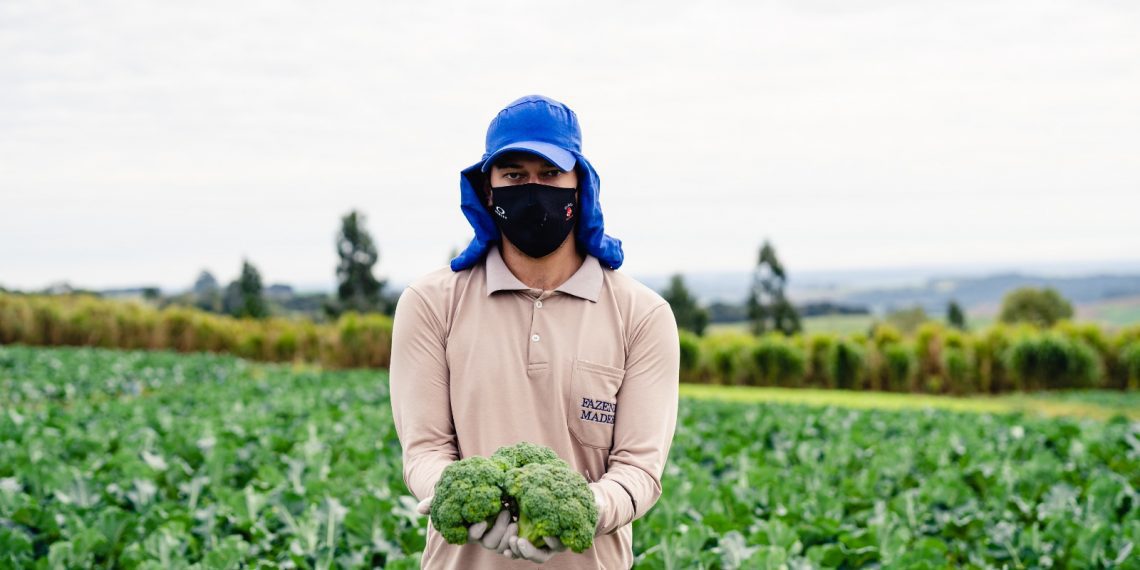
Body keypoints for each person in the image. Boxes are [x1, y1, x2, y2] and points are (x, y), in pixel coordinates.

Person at [389, 94, 680, 569]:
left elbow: (639, 470)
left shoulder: (642, 315)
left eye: (550, 175)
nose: (533, 190)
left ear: (580, 185)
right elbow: (425, 450)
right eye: (514, 176)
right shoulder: (430, 304)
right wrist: (464, 502)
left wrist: (589, 509)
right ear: (488, 190)